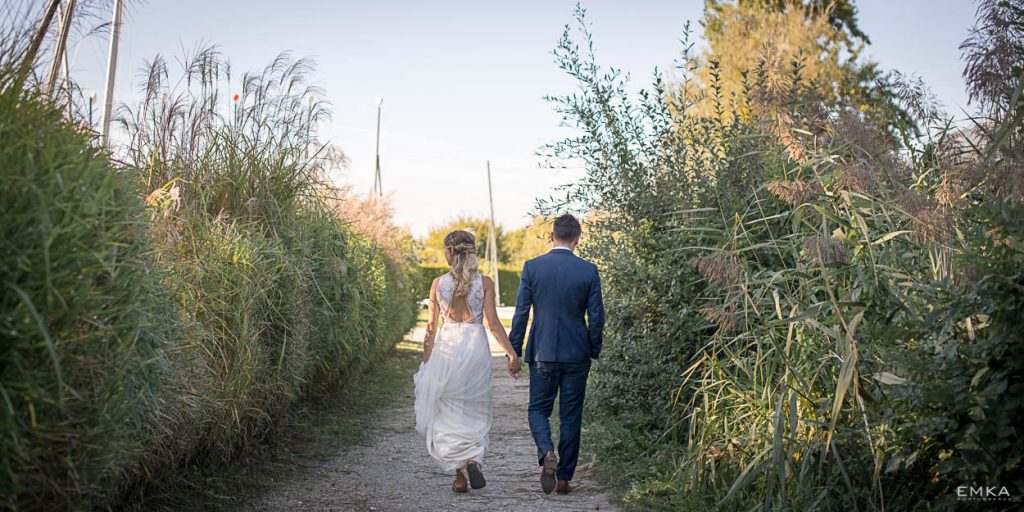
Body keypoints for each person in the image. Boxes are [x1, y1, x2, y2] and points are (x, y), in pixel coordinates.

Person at [413, 230, 522, 494]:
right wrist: (511, 353)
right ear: (471, 252)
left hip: (447, 347)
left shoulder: (438, 283)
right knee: (473, 405)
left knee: (447, 408)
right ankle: (474, 458)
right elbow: (493, 324)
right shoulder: (484, 282)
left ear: (450, 252)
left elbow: (430, 328)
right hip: (474, 346)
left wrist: (428, 363)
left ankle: (460, 477)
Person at [509, 214, 604, 495]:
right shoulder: (588, 270)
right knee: (571, 416)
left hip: (542, 353)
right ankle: (564, 479)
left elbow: (521, 313)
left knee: (538, 409)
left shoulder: (533, 267)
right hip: (577, 354)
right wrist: (593, 347)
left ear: (552, 236)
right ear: (577, 239)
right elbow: (597, 316)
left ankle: (547, 453)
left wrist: (515, 350)